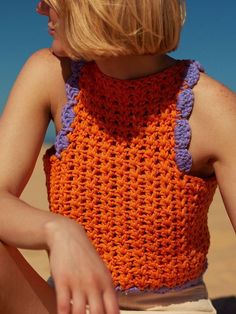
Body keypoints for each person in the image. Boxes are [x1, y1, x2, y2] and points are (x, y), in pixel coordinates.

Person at [0, 0, 235, 313]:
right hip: (66, 303)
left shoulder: (214, 109)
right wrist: (56, 230)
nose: (41, 9)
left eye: (53, 2)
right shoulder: (50, 75)